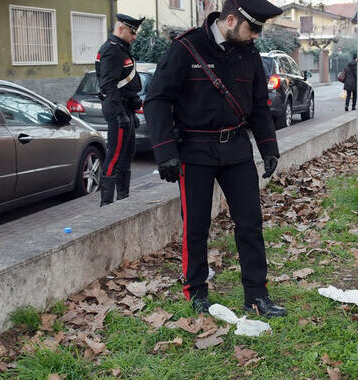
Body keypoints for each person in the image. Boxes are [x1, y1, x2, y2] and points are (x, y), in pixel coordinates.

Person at [145, 0, 287, 317]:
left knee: (250, 224)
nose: (257, 36)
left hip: (236, 148)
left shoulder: (248, 52)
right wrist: (165, 149)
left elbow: (260, 105)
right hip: (194, 150)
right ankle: (196, 293)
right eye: (253, 28)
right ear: (232, 20)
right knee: (195, 226)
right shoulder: (186, 47)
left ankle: (256, 295)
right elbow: (156, 99)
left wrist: (268, 148)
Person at [95, 14, 144, 207]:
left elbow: (125, 80)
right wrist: (120, 113)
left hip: (126, 108)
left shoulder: (122, 49)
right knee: (115, 155)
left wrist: (133, 102)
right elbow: (108, 85)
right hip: (118, 110)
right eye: (132, 32)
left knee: (127, 154)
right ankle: (106, 204)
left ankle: (123, 198)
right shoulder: (112, 51)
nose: (134, 36)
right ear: (121, 29)